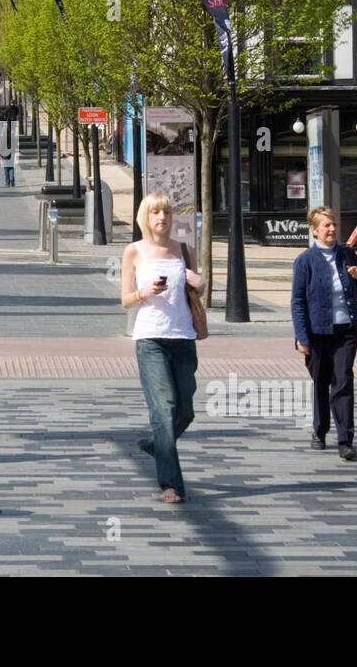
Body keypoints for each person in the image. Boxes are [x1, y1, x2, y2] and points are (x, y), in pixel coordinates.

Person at [120, 193, 206, 504]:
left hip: (183, 337)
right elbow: (125, 299)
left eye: (166, 213)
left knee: (185, 410)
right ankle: (171, 484)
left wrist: (200, 283)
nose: (162, 218)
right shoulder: (134, 252)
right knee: (163, 409)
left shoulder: (184, 249)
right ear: (146, 216)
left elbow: (198, 289)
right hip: (150, 339)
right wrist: (145, 292)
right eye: (156, 213)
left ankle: (158, 444)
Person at [290, 206, 357, 460]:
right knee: (321, 381)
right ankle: (319, 429)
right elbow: (297, 302)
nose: (332, 229)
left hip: (345, 329)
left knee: (343, 380)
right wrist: (302, 336)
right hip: (317, 331)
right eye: (326, 225)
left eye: (334, 224)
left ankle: (345, 440)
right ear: (314, 230)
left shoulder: (346, 254)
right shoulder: (305, 261)